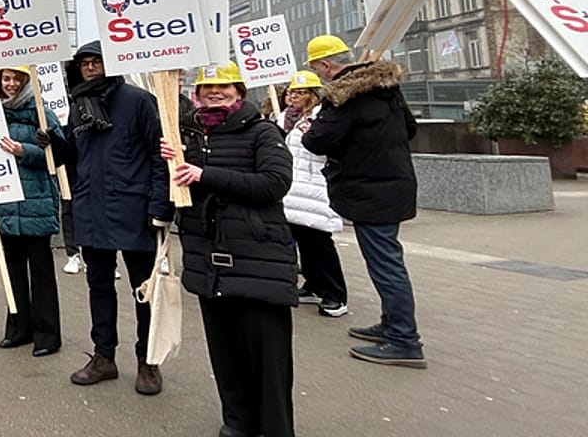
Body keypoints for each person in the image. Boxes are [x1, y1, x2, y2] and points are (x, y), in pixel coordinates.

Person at [162, 62, 297, 437]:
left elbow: (274, 183)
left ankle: (276, 429)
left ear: (239, 91)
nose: (215, 93)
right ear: (196, 95)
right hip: (209, 259)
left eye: (223, 86)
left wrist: (204, 174)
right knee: (225, 352)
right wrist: (170, 164)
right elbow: (178, 194)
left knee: (268, 357)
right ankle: (237, 421)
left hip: (258, 258)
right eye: (207, 88)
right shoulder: (186, 135)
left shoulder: (262, 131)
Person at [300, 35, 425, 368]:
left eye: (316, 68)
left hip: (370, 189)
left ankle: (404, 339)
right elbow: (410, 129)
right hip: (393, 183)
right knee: (386, 260)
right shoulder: (386, 87)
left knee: (385, 264)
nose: (318, 75)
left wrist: (312, 128)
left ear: (326, 65)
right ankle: (391, 324)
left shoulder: (343, 95)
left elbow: (317, 141)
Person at [56, 40, 171, 396]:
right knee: (99, 287)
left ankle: (148, 360)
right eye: (85, 63)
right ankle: (104, 357)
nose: (91, 67)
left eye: (97, 61)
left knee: (144, 289)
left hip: (134, 209)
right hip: (92, 209)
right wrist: (52, 141)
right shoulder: (78, 106)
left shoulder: (138, 100)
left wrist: (160, 206)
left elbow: (160, 155)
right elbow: (73, 154)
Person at [0, 66, 62, 357]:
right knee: (14, 270)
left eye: (17, 79)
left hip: (36, 203)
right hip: (6, 203)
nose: (11, 84)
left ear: (27, 82)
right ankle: (18, 329)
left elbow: (59, 155)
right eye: (6, 78)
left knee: (41, 272)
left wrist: (25, 151)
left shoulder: (42, 113)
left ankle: (48, 336)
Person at [279, 70, 349, 318]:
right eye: (292, 92)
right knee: (304, 241)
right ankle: (313, 284)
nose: (294, 97)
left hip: (316, 188)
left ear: (313, 94)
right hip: (295, 188)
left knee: (320, 243)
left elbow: (324, 145)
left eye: (300, 92)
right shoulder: (287, 117)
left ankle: (335, 294)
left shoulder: (323, 116)